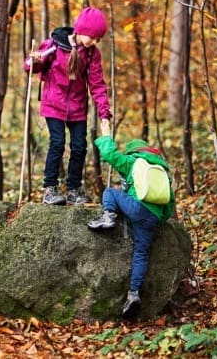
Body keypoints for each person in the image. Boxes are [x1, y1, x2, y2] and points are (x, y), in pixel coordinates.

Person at [24, 7, 112, 206]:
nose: (94, 42)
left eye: (98, 39)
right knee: (57, 143)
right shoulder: (54, 45)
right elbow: (31, 67)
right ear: (81, 29)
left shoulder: (91, 54)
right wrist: (34, 61)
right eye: (93, 37)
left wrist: (104, 113)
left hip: (78, 107)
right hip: (54, 104)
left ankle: (73, 189)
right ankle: (50, 188)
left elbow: (97, 84)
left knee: (80, 147)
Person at [87, 123, 176, 319]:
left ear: (133, 151)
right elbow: (170, 201)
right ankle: (134, 293)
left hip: (136, 208)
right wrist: (160, 218)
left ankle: (108, 216)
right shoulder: (161, 169)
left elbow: (110, 155)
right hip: (153, 216)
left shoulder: (134, 162)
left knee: (110, 192)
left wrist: (106, 135)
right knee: (141, 254)